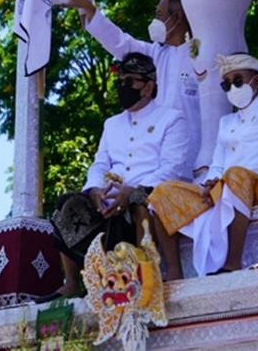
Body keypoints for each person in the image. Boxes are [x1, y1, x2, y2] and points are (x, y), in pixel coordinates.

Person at [34, 52, 190, 303]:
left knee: (141, 200)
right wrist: (95, 191)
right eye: (120, 82)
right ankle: (72, 282)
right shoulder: (112, 124)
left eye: (129, 82)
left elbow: (171, 168)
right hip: (107, 201)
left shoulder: (171, 119)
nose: (122, 87)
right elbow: (99, 164)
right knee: (68, 204)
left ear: (148, 87)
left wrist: (130, 191)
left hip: (146, 194)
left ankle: (146, 275)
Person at [148, 53, 258, 280]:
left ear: (256, 81)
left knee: (235, 174)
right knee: (162, 193)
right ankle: (174, 271)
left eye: (237, 81)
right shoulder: (227, 121)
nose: (232, 88)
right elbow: (217, 162)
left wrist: (227, 180)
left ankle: (232, 262)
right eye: (226, 84)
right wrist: (213, 183)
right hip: (224, 187)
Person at [57, 0, 201, 176]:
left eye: (159, 16)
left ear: (177, 17)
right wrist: (89, 9)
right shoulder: (154, 54)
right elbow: (120, 43)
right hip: (151, 162)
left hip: (194, 161)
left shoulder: (201, 57)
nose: (155, 22)